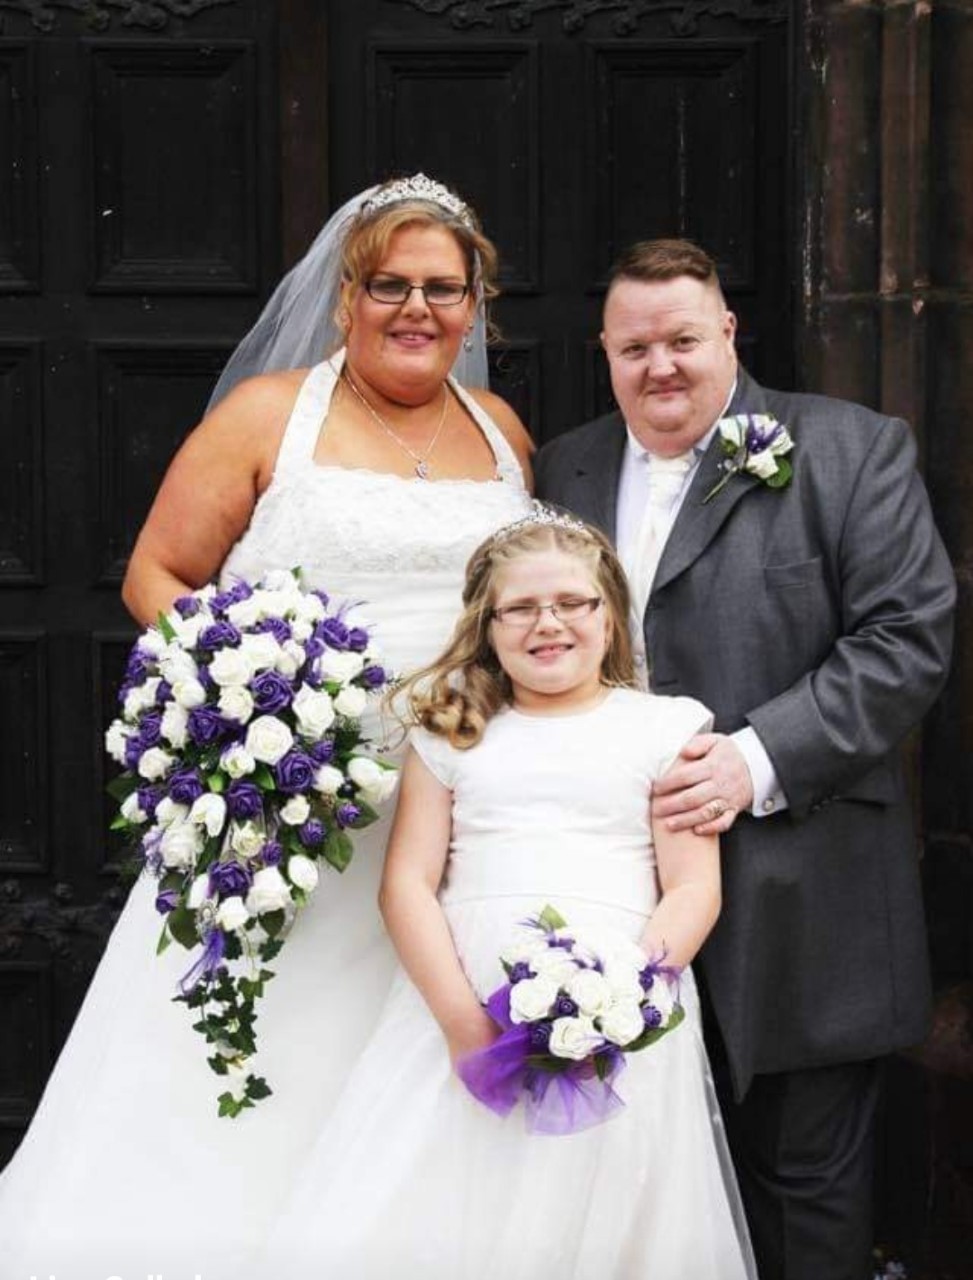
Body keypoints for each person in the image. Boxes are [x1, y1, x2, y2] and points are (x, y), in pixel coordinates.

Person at [0, 174, 533, 1280]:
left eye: (443, 286)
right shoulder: (265, 416)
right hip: (290, 806)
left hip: (462, 813)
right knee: (256, 1050)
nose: (416, 307)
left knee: (413, 1058)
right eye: (389, 282)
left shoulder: (503, 431)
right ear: (345, 297)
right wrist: (260, 697)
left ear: (475, 304)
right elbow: (158, 573)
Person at [533, 238, 956, 1280]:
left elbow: (905, 638)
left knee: (804, 1193)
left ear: (727, 332)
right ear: (604, 351)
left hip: (800, 891)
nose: (659, 366)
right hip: (599, 898)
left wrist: (753, 760)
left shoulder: (852, 449)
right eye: (634, 346)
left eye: (682, 338)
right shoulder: (560, 468)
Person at [241, 505, 757, 1279]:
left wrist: (625, 997)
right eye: (520, 608)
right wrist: (460, 1026)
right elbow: (408, 886)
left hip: (620, 1006)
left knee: (604, 1201)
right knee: (449, 1197)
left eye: (572, 603)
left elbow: (690, 889)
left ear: (609, 617)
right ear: (487, 626)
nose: (547, 624)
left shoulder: (667, 728)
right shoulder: (453, 733)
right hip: (468, 994)